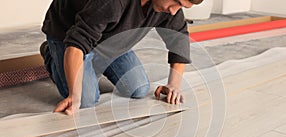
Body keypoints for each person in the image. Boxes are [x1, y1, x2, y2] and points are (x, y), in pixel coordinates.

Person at [40, 0, 203, 115]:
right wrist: (74, 96)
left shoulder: (168, 8)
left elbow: (178, 38)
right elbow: (77, 43)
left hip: (110, 37)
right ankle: (51, 54)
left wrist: (174, 84)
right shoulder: (113, 2)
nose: (175, 10)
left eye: (181, 6)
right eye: (176, 2)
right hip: (68, 34)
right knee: (85, 100)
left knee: (139, 88)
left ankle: (91, 61)